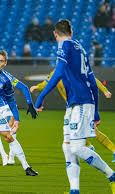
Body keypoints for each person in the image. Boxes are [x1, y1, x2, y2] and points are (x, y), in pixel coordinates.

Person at [34, 19, 115, 194]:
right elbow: (93, 82)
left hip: (80, 102)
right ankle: (74, 190)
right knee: (67, 146)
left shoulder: (64, 45)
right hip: (76, 104)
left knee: (77, 148)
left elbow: (59, 72)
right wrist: (97, 111)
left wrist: (40, 97)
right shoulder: (81, 49)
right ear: (71, 32)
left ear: (55, 34)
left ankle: (111, 175)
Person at [30, 69, 115, 162]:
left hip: (82, 103)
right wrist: (37, 87)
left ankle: (109, 150)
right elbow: (47, 84)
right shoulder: (56, 71)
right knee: (74, 130)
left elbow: (93, 79)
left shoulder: (76, 67)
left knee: (91, 130)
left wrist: (105, 90)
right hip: (72, 106)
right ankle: (90, 148)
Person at [0, 54, 37, 165]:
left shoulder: (6, 77)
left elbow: (24, 87)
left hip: (5, 106)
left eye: (0, 61)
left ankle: (12, 157)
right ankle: (4, 155)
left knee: (10, 128)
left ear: (3, 63)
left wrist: (30, 104)